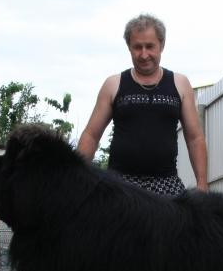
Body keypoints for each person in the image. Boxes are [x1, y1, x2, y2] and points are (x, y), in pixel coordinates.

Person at [77, 13, 208, 195]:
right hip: (119, 186)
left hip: (166, 186)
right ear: (129, 48)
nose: (144, 54)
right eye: (137, 47)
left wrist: (202, 184)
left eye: (150, 46)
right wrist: (77, 179)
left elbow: (195, 138)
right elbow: (91, 135)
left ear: (161, 45)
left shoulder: (180, 84)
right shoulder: (113, 84)